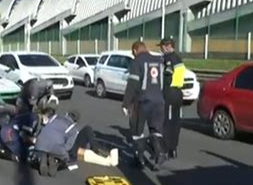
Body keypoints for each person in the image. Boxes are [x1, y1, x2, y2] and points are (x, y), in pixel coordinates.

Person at [31, 109, 119, 176]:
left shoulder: (55, 117)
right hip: (60, 148)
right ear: (76, 121)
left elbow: (43, 130)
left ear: (66, 114)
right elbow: (68, 146)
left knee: (53, 146)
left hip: (40, 143)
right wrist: (62, 153)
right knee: (87, 129)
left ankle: (47, 158)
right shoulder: (73, 129)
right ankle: (54, 161)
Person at [122, 41, 166, 169]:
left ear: (135, 51)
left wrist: (125, 103)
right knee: (155, 130)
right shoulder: (159, 60)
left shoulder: (137, 62)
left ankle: (140, 159)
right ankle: (160, 154)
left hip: (142, 102)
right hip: (159, 101)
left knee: (137, 131)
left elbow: (133, 84)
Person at [158, 37, 185, 159]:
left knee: (168, 122)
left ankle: (166, 148)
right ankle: (174, 148)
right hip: (179, 93)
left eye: (162, 47)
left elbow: (165, 75)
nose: (161, 49)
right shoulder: (179, 58)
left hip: (170, 92)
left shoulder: (168, 59)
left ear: (167, 46)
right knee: (176, 121)